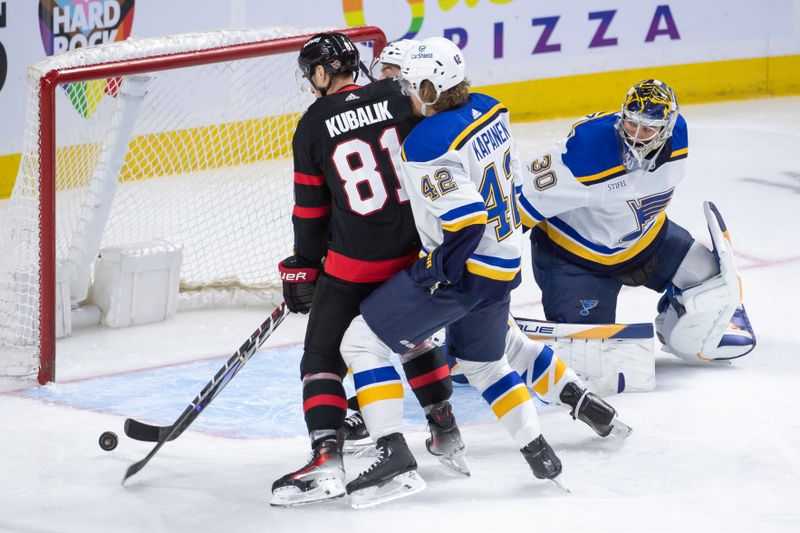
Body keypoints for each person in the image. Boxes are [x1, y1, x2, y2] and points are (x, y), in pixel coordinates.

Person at [339, 37, 565, 509]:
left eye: (408, 84)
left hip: (467, 272)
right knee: (485, 363)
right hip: (505, 263)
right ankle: (537, 449)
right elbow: (516, 187)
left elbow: (465, 222)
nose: (403, 91)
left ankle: (391, 452)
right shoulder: (490, 110)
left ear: (429, 85)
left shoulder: (426, 140)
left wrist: (436, 270)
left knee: (362, 340)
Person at [271, 32, 464, 507]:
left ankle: (326, 460)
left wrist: (304, 266)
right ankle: (445, 429)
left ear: (320, 73)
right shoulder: (399, 97)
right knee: (410, 333)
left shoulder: (313, 123)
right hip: (414, 252)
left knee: (321, 357)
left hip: (356, 264)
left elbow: (311, 211)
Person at [517, 79, 755, 363]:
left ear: (666, 128)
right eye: (631, 124)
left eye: (648, 128)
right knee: (592, 360)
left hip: (647, 240)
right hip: (576, 259)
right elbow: (516, 205)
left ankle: (673, 325)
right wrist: (481, 274)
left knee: (712, 287)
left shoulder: (679, 135)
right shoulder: (586, 151)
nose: (636, 135)